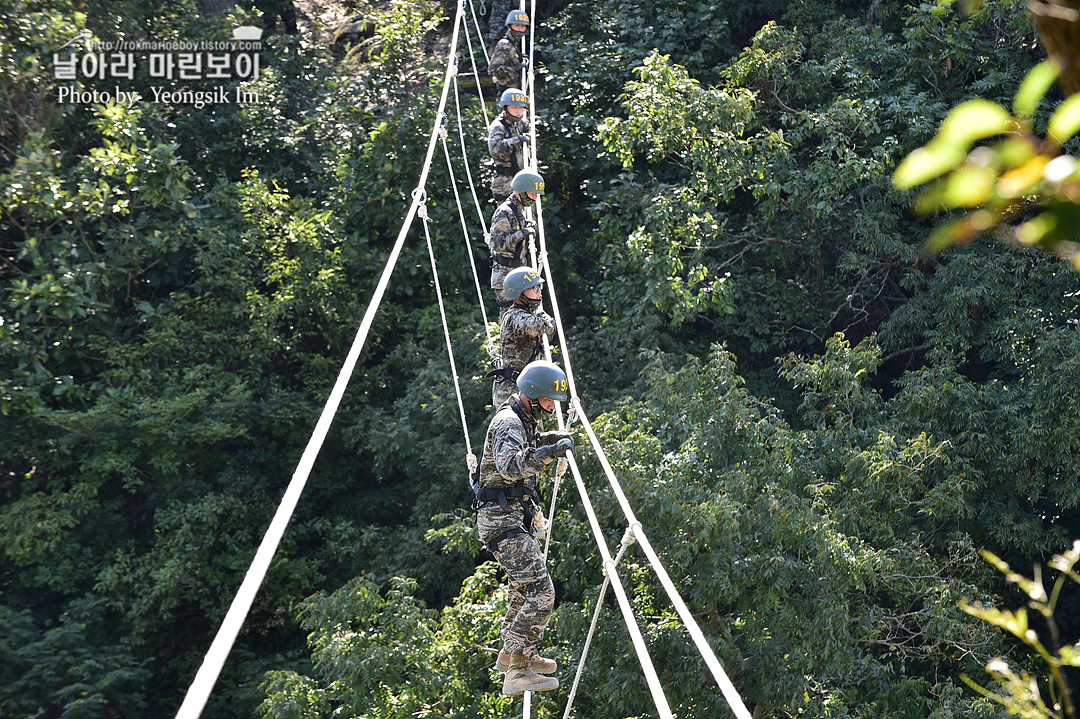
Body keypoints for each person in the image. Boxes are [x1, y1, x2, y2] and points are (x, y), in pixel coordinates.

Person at [472, 360, 575, 696]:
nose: (551, 406)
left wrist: (551, 438)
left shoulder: (524, 418)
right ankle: (518, 669)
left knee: (523, 588)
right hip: (502, 521)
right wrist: (548, 453)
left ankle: (512, 652)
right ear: (531, 395)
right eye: (547, 400)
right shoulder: (507, 422)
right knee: (542, 592)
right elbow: (511, 464)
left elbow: (528, 442)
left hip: (511, 518)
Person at [487, 267, 556, 409]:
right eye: (534, 288)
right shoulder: (515, 317)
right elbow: (540, 326)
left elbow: (549, 332)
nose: (539, 291)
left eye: (539, 287)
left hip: (527, 387)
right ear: (518, 293)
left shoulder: (528, 313)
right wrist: (545, 318)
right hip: (511, 391)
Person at [489, 169, 544, 309]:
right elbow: (497, 243)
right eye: (532, 194)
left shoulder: (519, 211)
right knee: (511, 318)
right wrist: (524, 233)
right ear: (521, 191)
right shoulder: (505, 211)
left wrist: (528, 227)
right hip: (504, 275)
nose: (535, 198)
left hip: (517, 272)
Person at [489, 88, 530, 203]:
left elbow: (532, 132)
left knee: (527, 214)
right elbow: (495, 150)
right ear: (505, 108)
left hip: (522, 177)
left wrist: (527, 137)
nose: (518, 111)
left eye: (521, 108)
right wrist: (516, 139)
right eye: (514, 107)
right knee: (507, 215)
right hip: (505, 181)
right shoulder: (498, 126)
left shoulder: (521, 122)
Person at [489, 8, 530, 99]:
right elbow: (493, 70)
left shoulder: (513, 45)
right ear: (509, 27)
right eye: (517, 25)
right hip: (506, 95)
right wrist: (515, 69)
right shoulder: (505, 44)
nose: (520, 29)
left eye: (522, 26)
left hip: (516, 94)